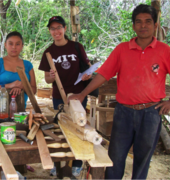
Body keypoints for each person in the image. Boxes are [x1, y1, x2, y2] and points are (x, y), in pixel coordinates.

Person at [68, 4, 170, 180]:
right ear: (133, 26)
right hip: (124, 112)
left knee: (143, 158)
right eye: (138, 22)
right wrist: (83, 94)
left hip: (151, 112)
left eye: (148, 22)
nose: (143, 26)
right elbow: (103, 74)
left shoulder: (164, 50)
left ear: (155, 25)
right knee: (115, 156)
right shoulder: (122, 49)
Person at [38, 16, 92, 177]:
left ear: (65, 28)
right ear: (49, 31)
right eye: (53, 28)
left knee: (78, 126)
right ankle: (56, 163)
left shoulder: (77, 47)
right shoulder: (48, 52)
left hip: (78, 94)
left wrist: (87, 75)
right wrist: (52, 76)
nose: (56, 31)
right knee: (59, 128)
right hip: (58, 96)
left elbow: (88, 69)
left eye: (59, 27)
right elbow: (48, 79)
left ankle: (76, 163)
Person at [0, 31, 37, 118]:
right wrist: (10, 85)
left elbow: (34, 90)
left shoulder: (28, 65)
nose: (14, 47)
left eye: (17, 44)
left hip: (20, 110)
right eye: (10, 44)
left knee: (19, 131)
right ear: (5, 45)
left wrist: (23, 86)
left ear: (22, 46)